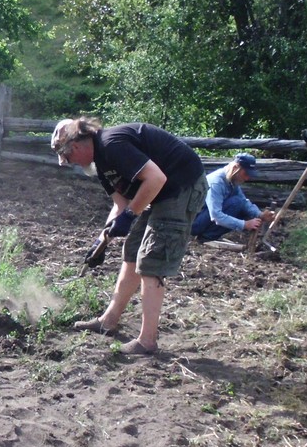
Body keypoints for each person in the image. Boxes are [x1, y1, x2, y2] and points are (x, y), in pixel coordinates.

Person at [51, 117, 207, 355]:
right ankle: (108, 321)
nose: (70, 163)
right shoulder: (100, 163)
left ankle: (147, 341)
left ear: (75, 146)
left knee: (151, 260)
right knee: (133, 249)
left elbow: (156, 178)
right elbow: (120, 206)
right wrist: (101, 242)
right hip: (160, 192)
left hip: (181, 187)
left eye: (68, 158)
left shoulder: (112, 145)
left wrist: (131, 214)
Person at [191, 153, 275, 243]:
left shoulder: (232, 181)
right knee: (235, 203)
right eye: (245, 173)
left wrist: (259, 214)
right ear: (236, 168)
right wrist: (244, 224)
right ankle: (206, 238)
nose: (247, 178)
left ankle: (209, 235)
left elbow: (243, 201)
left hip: (204, 219)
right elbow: (216, 216)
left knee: (240, 205)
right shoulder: (216, 182)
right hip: (193, 223)